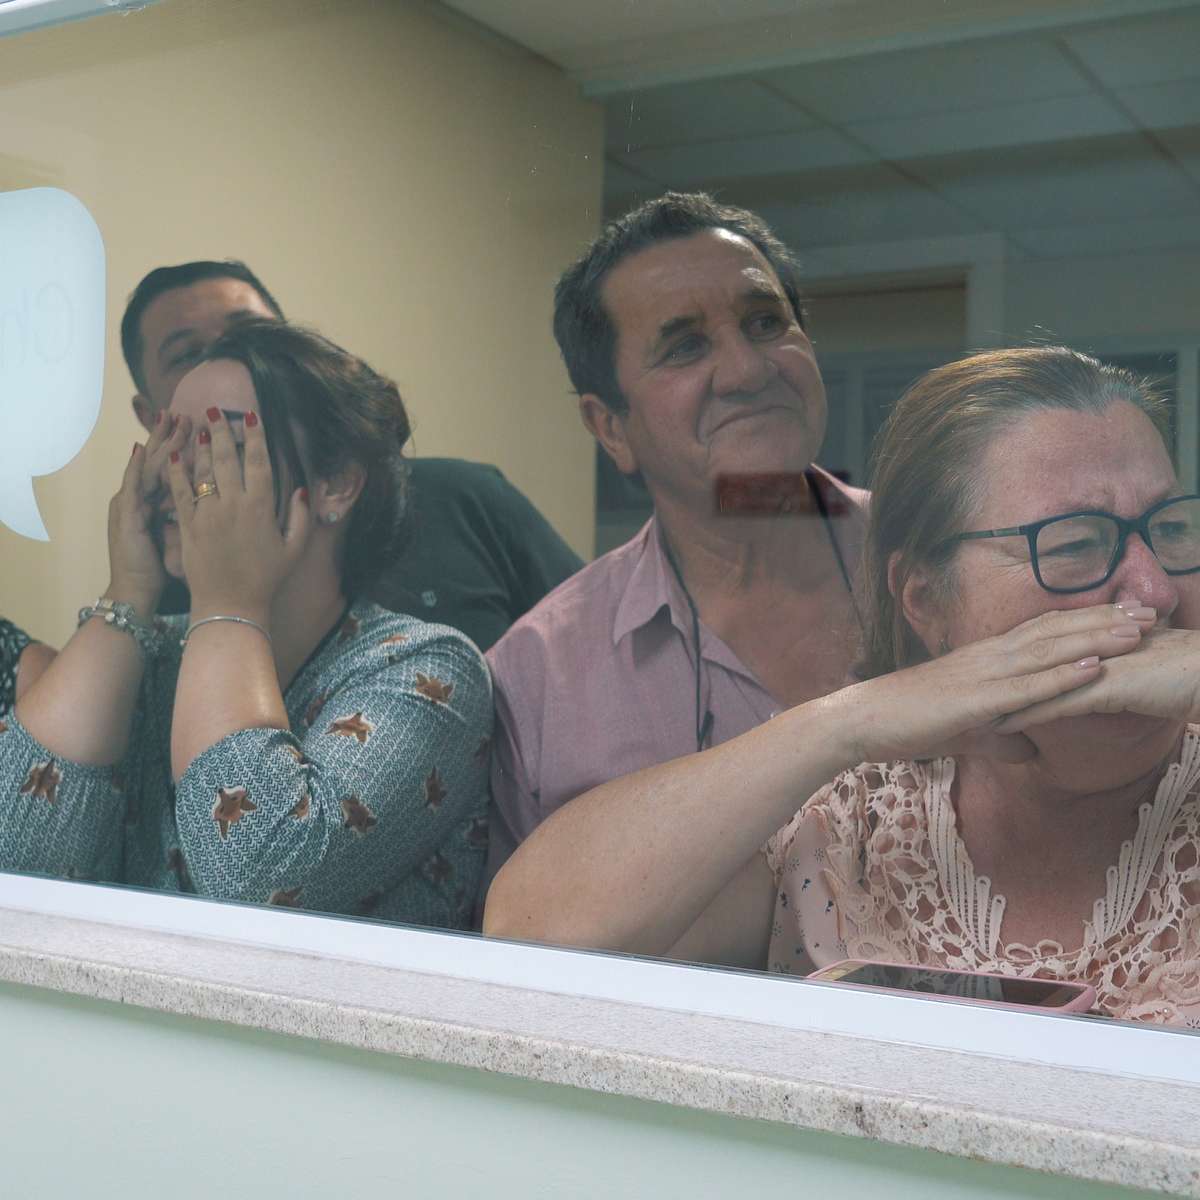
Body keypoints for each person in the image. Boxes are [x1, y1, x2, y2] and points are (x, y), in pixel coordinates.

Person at [486, 346, 1200, 1024]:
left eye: (1172, 530)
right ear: (925, 601)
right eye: (1075, 544)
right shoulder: (848, 833)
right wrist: (843, 722)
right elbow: (526, 935)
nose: (1157, 590)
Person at [0, 320, 491, 927]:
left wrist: (228, 599)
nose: (174, 469)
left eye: (221, 441)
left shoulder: (424, 667)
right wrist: (129, 589)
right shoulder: (152, 654)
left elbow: (256, 878)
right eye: (169, 438)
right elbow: (16, 868)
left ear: (336, 483)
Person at [483, 192, 866, 883]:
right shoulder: (534, 682)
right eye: (685, 346)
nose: (748, 371)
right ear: (610, 428)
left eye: (766, 322)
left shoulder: (949, 559)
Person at [122, 260, 583, 648]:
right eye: (188, 353)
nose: (227, 357)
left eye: (254, 334)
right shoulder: (167, 575)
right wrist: (128, 590)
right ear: (151, 416)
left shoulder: (465, 501)